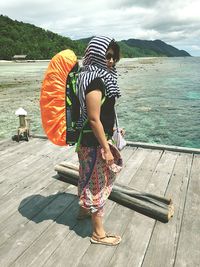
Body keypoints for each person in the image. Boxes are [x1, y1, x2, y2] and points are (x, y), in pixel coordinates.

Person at [76, 36, 122, 246]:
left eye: (114, 57)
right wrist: (107, 148)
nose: (111, 61)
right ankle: (98, 234)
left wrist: (113, 129)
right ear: (96, 54)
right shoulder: (95, 80)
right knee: (98, 184)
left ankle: (83, 211)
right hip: (94, 143)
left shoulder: (90, 75)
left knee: (87, 175)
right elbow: (94, 119)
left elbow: (101, 114)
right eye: (107, 55)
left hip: (88, 141)